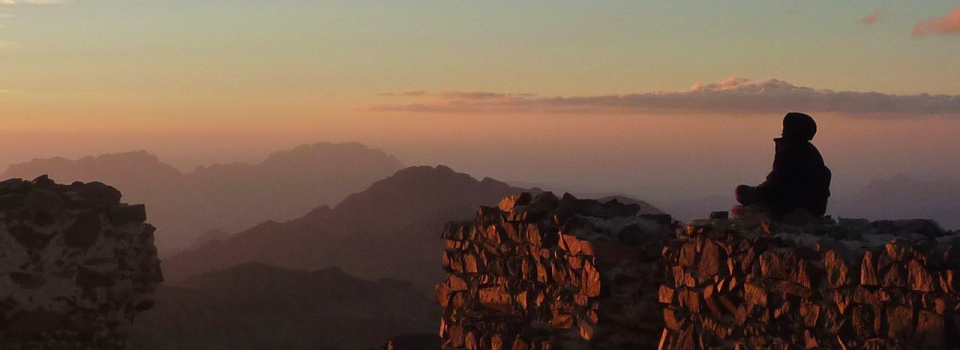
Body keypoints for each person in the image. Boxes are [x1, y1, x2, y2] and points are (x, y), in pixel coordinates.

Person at [736, 112, 832, 219]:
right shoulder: (812, 152)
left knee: (740, 191)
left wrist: (758, 191)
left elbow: (775, 183)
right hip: (811, 205)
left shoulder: (788, 151)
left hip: (789, 203)